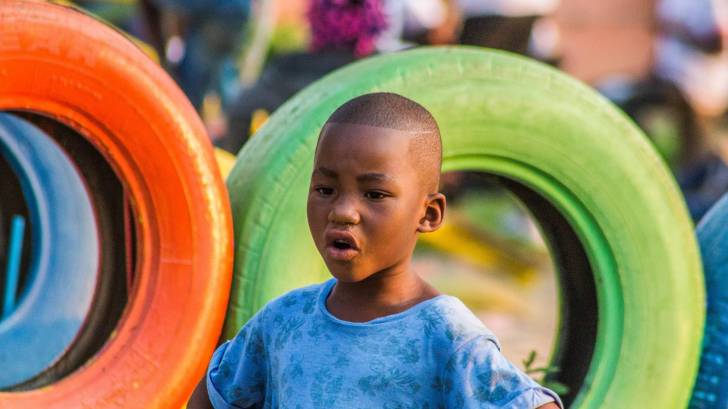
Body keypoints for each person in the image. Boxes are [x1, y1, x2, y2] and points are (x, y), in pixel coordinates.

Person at [188, 92, 563, 408]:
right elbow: (210, 398)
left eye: (374, 194)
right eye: (325, 189)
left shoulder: (445, 335)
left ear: (428, 214)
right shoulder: (284, 321)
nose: (343, 211)